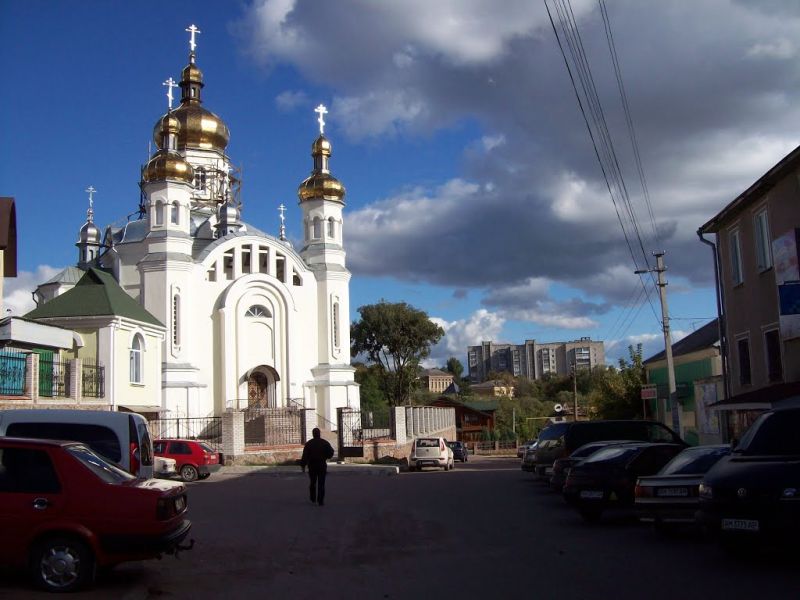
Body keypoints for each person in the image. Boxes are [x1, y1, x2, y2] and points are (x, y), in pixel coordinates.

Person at [300, 427, 335, 506]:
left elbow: (305, 456)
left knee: (313, 482)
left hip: (312, 465)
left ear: (313, 434)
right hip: (322, 465)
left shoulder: (309, 443)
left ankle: (313, 497)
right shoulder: (324, 443)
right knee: (321, 483)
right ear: (319, 434)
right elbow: (331, 452)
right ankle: (320, 500)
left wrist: (303, 466)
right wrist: (326, 457)